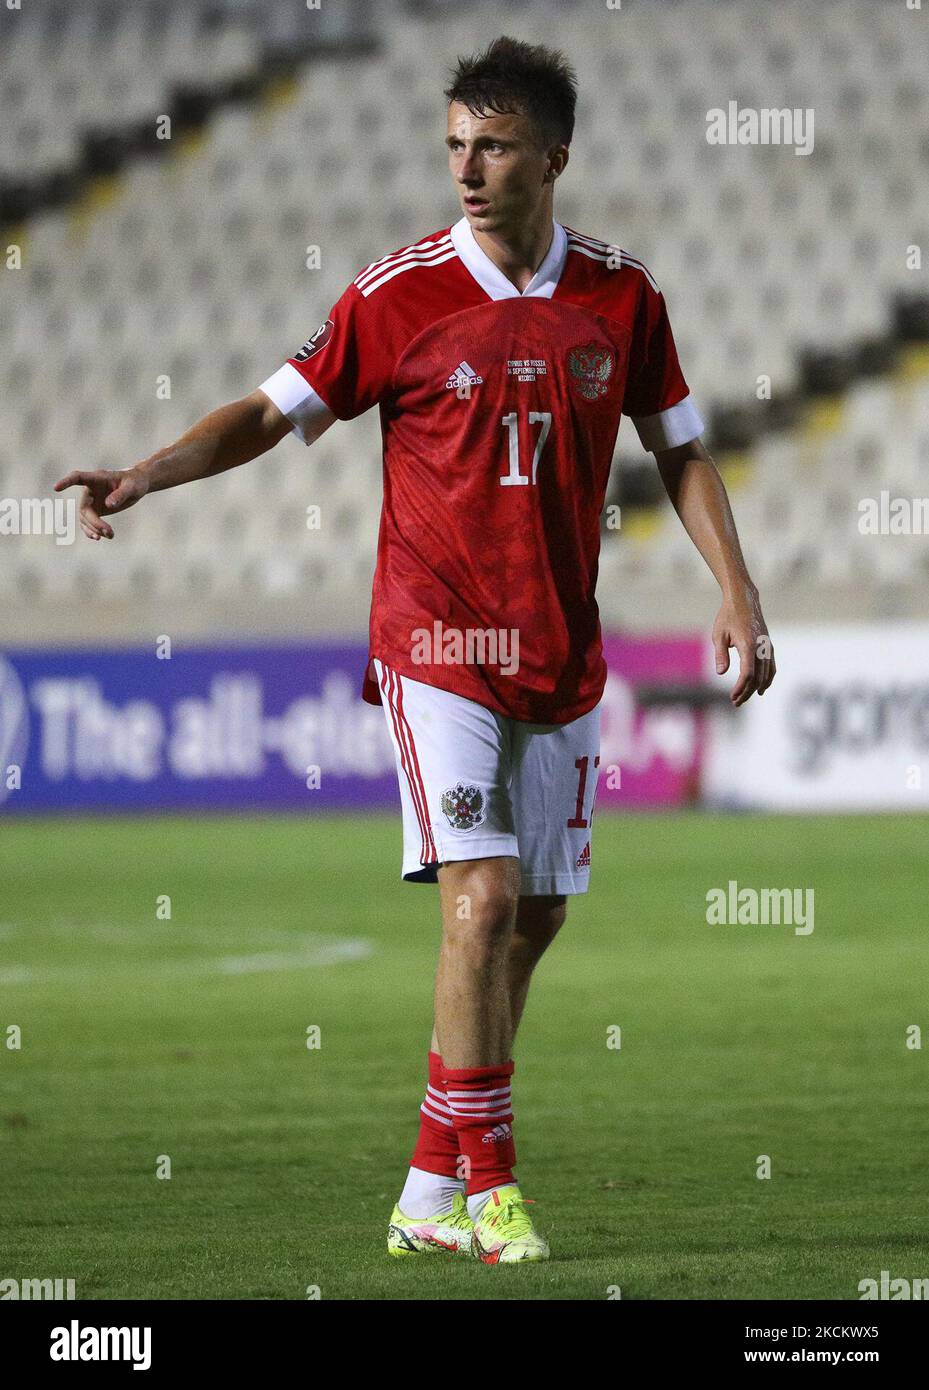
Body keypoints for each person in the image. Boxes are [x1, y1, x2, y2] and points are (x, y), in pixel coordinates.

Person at [55, 35, 775, 1265]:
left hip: (559, 649)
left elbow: (682, 449)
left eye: (491, 145)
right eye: (453, 144)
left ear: (553, 156)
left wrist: (736, 591)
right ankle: (493, 1190)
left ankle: (427, 1184)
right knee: (480, 896)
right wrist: (145, 473)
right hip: (434, 641)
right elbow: (266, 415)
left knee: (531, 918)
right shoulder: (396, 296)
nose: (467, 167)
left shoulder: (621, 296)